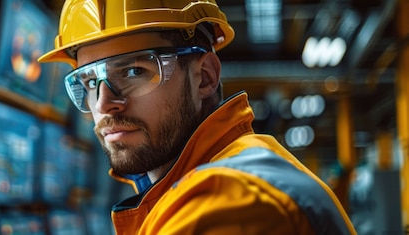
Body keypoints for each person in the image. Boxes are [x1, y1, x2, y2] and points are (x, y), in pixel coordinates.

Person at [38, 0, 357, 234]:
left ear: (204, 77)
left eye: (134, 70)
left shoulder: (230, 203)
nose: (105, 103)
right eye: (91, 82)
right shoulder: (202, 181)